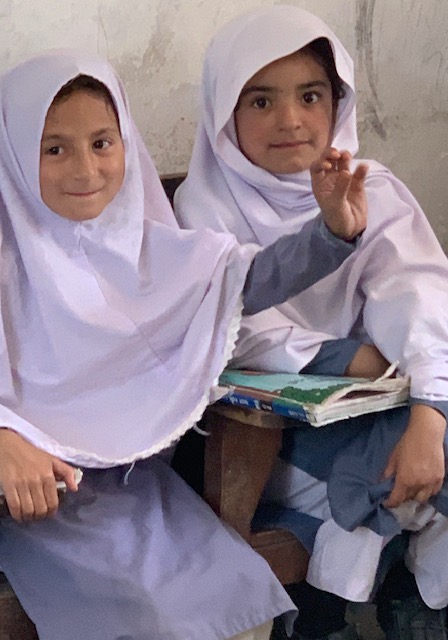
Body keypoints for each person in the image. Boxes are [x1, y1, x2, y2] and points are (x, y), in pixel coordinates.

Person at [0, 49, 365, 640]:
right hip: (26, 500)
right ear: (11, 154)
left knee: (233, 605)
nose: (85, 169)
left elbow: (246, 280)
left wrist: (331, 231)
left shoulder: (149, 249)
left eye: (102, 143)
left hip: (138, 490)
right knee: (138, 614)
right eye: (54, 149)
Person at [174, 5, 448, 640]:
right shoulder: (203, 211)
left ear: (337, 102)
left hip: (391, 408)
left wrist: (429, 414)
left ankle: (410, 603)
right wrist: (349, 357)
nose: (291, 119)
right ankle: (372, 608)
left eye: (310, 95)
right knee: (387, 467)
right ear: (223, 114)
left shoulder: (370, 188)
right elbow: (228, 327)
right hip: (270, 442)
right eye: (260, 101)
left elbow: (418, 295)